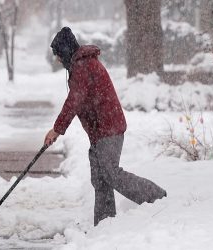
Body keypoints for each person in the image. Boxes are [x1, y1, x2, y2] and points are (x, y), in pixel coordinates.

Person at [44, 27, 167, 226]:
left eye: (58, 54)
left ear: (66, 51)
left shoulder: (83, 66)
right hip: (100, 130)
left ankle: (157, 197)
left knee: (110, 173)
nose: (58, 60)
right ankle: (104, 225)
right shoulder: (80, 65)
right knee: (100, 179)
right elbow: (77, 100)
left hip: (108, 128)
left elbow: (73, 101)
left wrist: (57, 129)